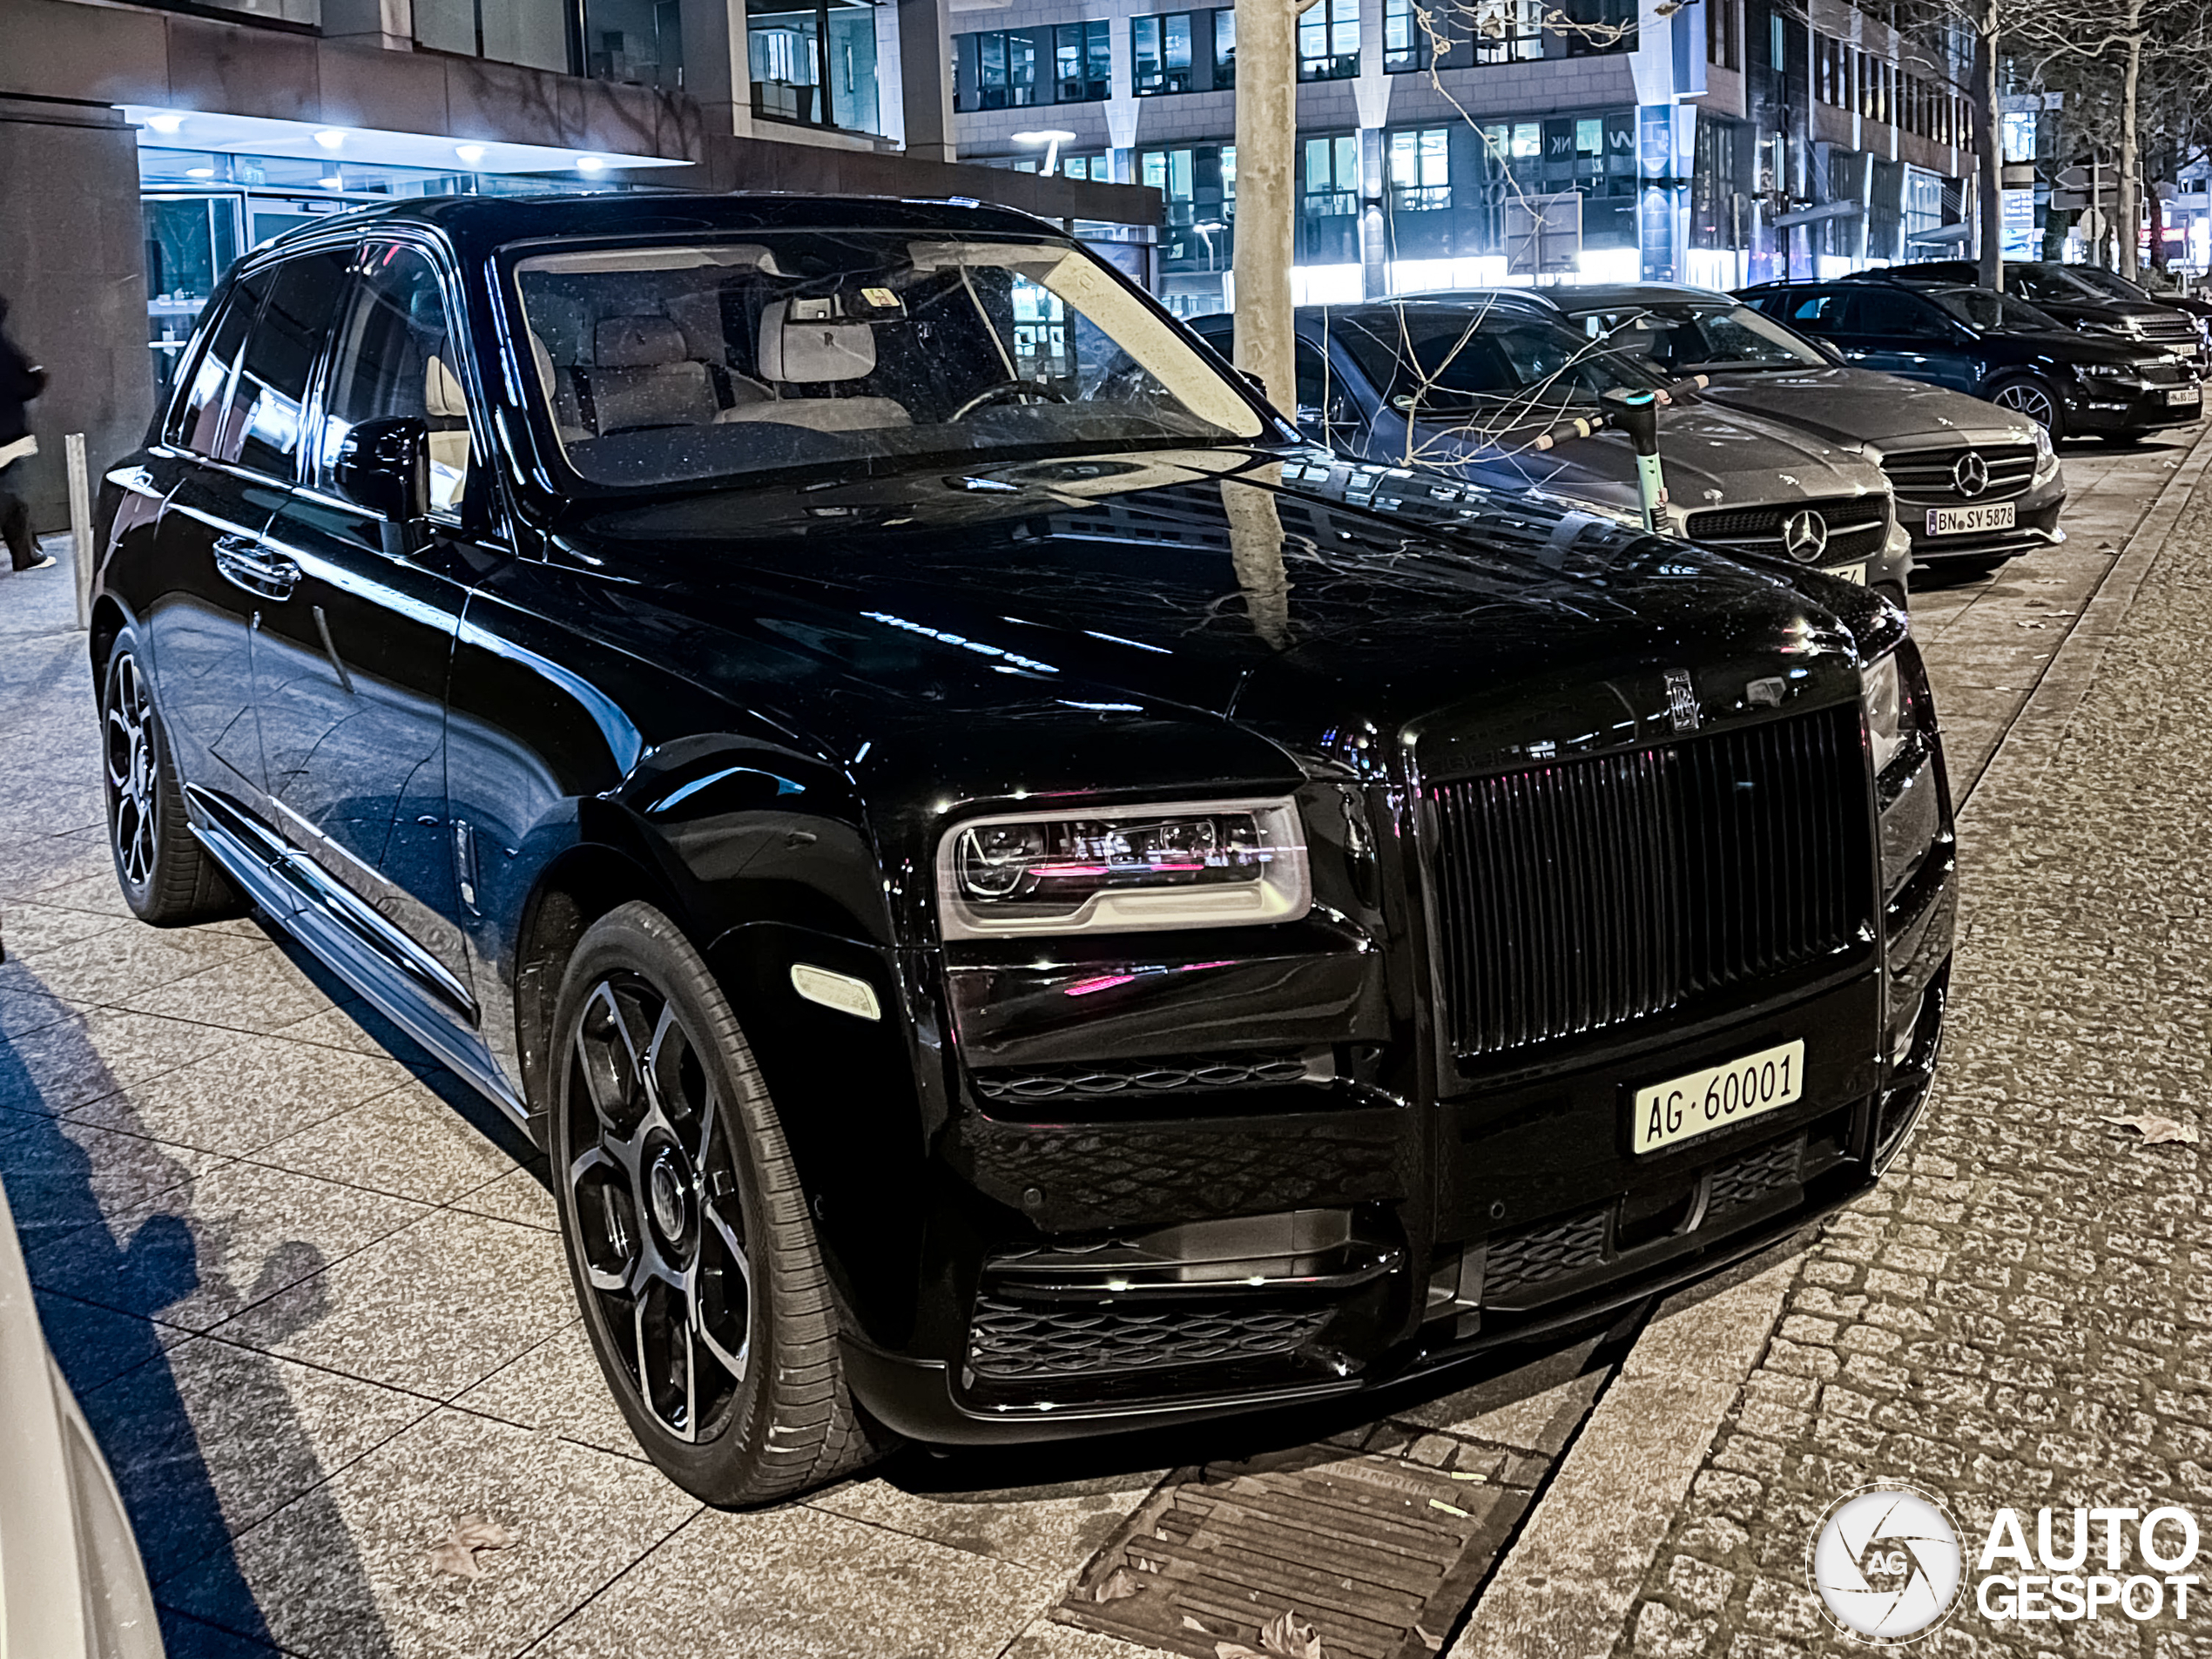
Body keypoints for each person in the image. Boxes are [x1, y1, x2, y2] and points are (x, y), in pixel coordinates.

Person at [0, 296, 52, 574]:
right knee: (12, 497)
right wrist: (37, 378)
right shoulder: (4, 349)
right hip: (7, 435)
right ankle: (26, 553)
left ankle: (26, 552)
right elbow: (24, 384)